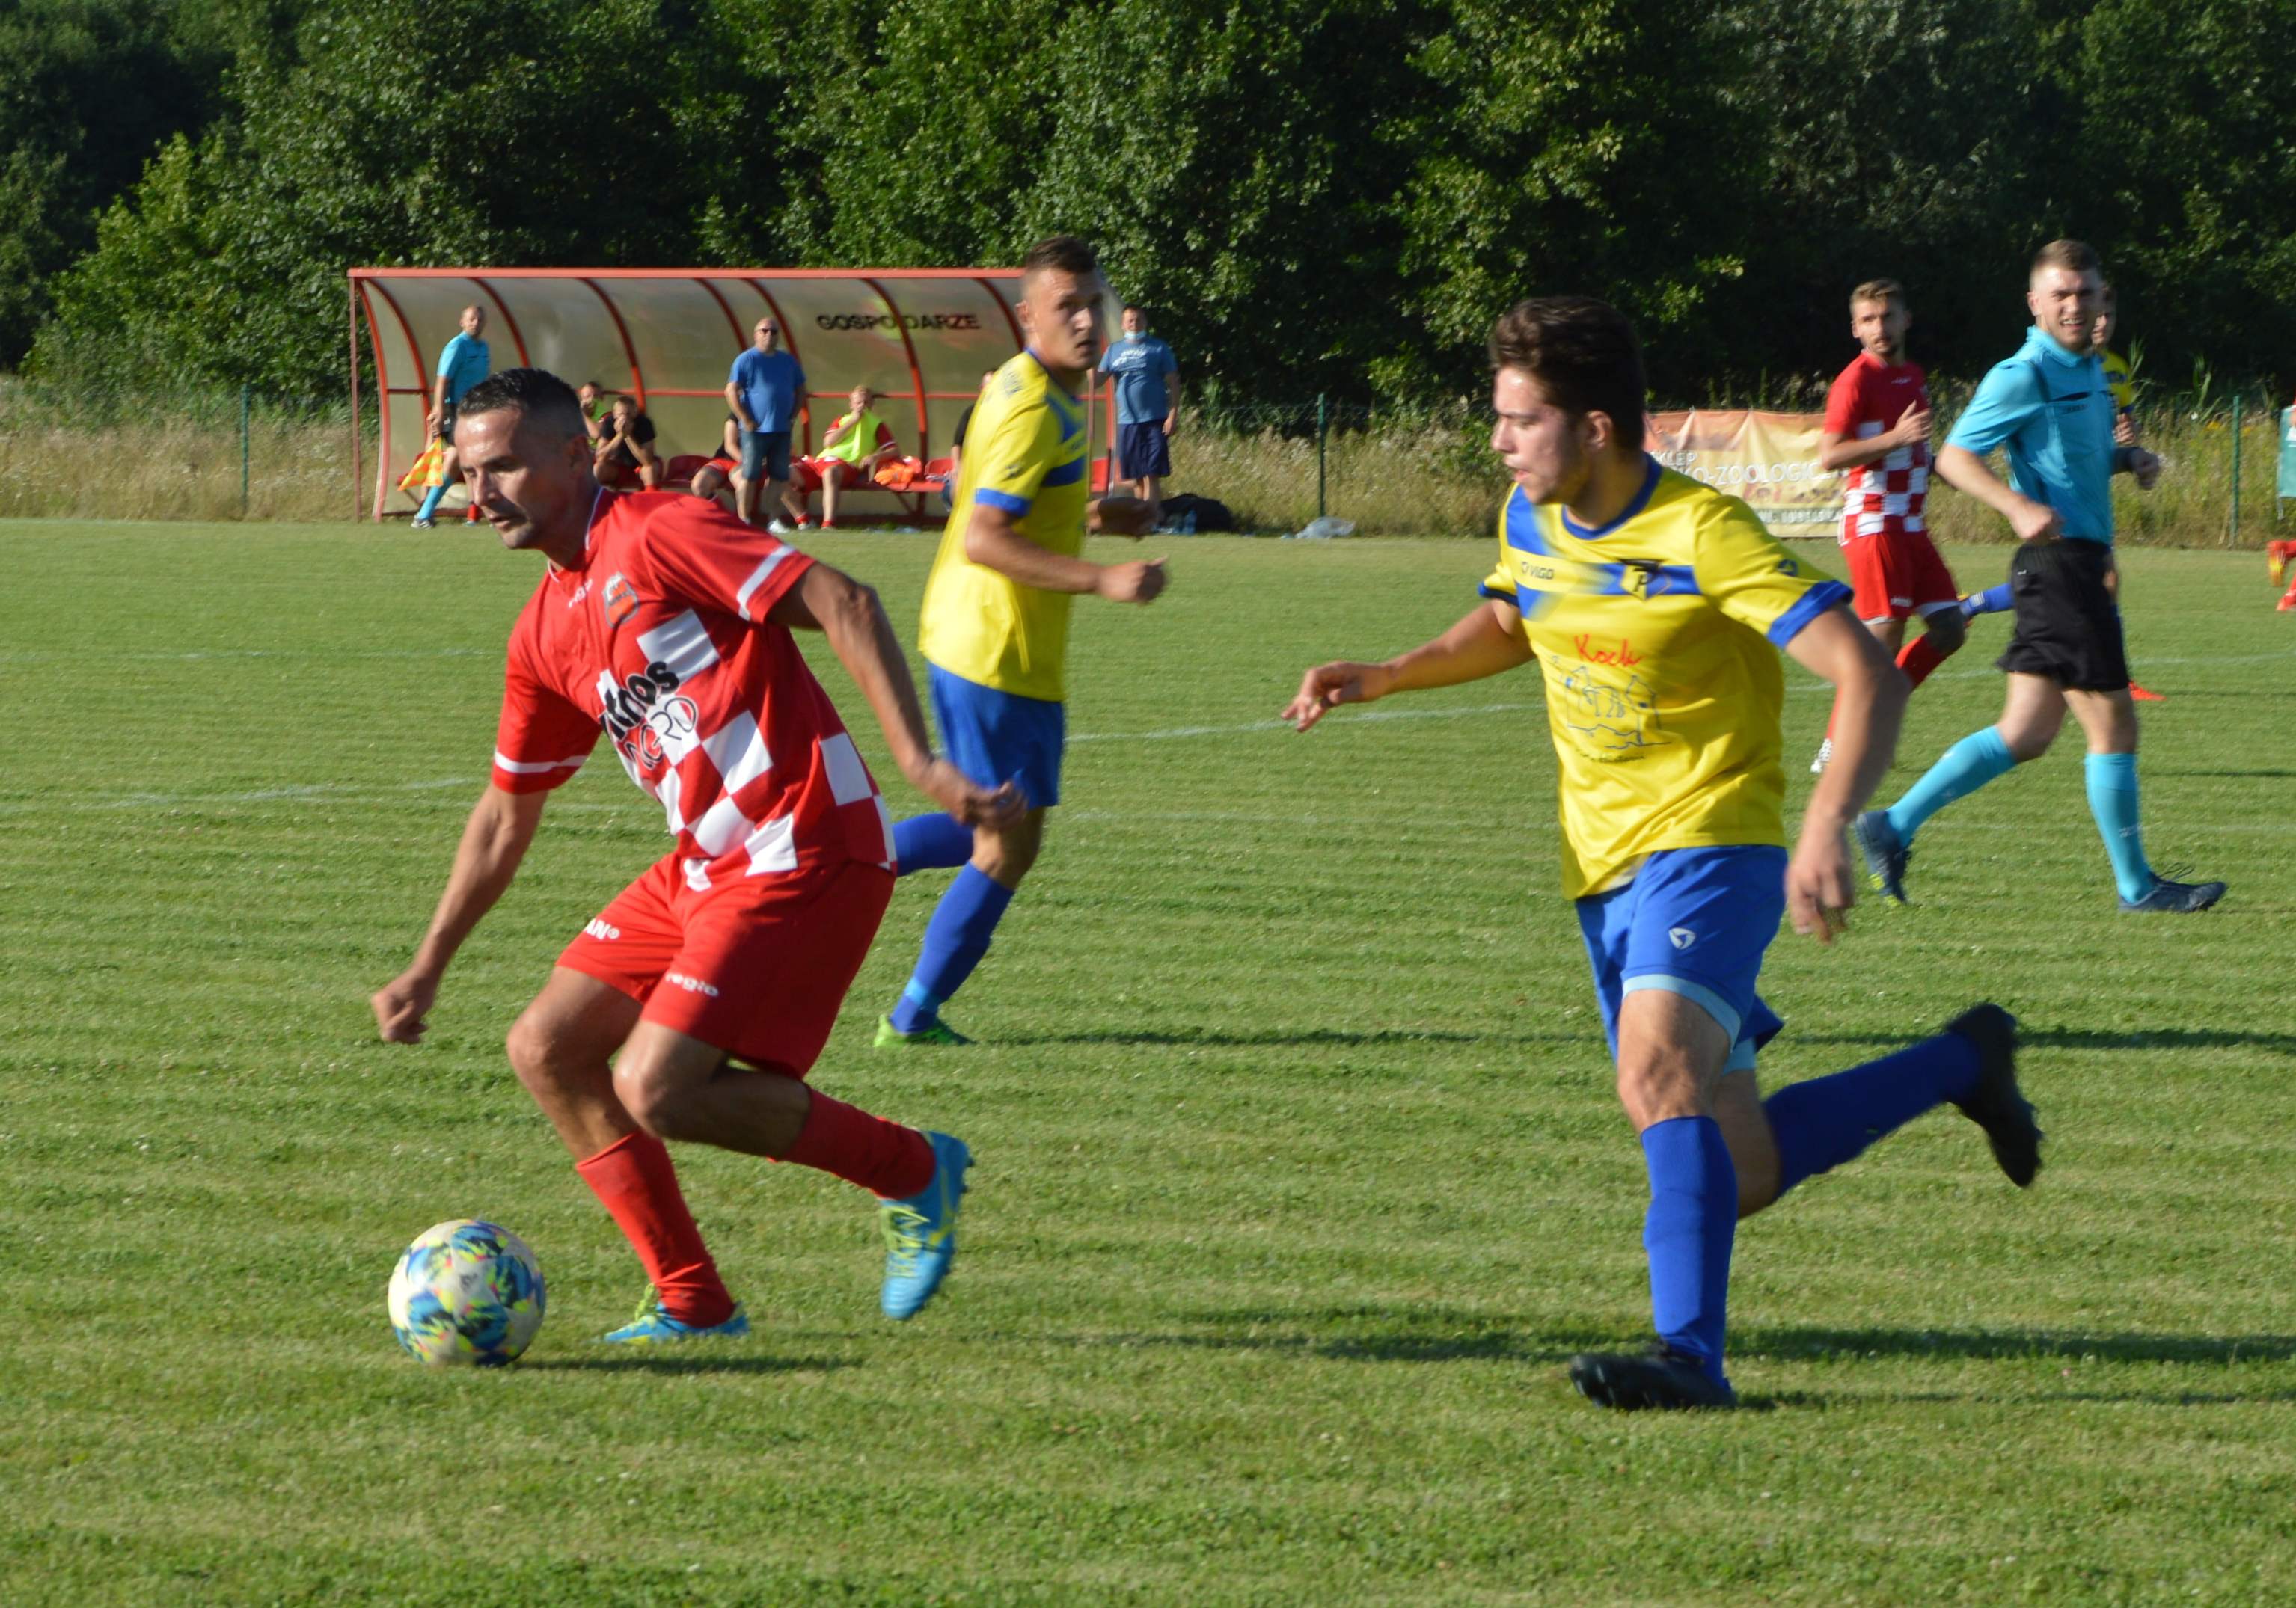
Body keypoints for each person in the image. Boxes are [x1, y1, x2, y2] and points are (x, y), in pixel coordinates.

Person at [1282, 296, 2040, 1411]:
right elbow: (1511, 617)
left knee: (1656, 1073)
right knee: (1735, 1172)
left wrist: (1824, 827)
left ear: (1594, 426)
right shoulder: (1530, 515)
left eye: (1518, 418)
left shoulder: (1702, 533)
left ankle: (1691, 1359)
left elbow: (1866, 673)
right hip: (1601, 866)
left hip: (1712, 837)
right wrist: (1391, 671)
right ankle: (1960, 1061)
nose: (1498, 438)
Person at [370, 366, 1023, 1340]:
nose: (483, 489)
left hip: (804, 841)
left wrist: (920, 760)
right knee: (545, 1048)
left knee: (657, 1086)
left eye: (504, 463)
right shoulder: (544, 629)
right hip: (706, 864)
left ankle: (913, 1167)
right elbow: (507, 813)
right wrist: (429, 964)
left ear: (574, 452)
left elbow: (846, 599)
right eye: (470, 471)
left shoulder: (659, 530)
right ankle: (694, 1301)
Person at [1854, 241, 2222, 914]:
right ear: (2035, 303)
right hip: (2060, 569)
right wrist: (2016, 504)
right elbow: (1956, 457)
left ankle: (1890, 824)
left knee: (2024, 734)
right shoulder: (2022, 373)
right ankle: (2137, 888)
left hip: (2064, 567)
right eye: (2060, 294)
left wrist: (2126, 458)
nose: (2074, 305)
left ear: (2101, 298)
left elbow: (2073, 456)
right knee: (2113, 727)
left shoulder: (2089, 371)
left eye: (2084, 292)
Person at [874, 236, 1163, 1047]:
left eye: (1092, 302)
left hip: (991, 641)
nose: (1085, 319)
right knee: (1009, 840)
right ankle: (913, 1011)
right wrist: (1103, 576)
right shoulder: (1035, 404)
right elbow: (985, 537)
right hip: (992, 647)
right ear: (1027, 313)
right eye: (1065, 306)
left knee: (995, 824)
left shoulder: (1038, 388)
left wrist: (1100, 514)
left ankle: (849, 856)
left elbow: (981, 493)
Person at [1807, 280, 1965, 773]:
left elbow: (1911, 447)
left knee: (1949, 628)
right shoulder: (1854, 381)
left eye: (1887, 317)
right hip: (1874, 522)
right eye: (1869, 320)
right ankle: (1835, 747)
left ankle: (1883, 710)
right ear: (1855, 328)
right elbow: (1830, 455)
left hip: (1910, 524)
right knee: (1881, 645)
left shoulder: (1913, 375)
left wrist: (1945, 467)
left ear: (1905, 320)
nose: (1879, 327)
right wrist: (1898, 436)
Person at [1096, 305, 1181, 527]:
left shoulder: (1158, 348)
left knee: (1152, 471)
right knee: (1135, 473)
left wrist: (1173, 414)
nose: (1134, 324)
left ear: (1145, 322)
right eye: (1130, 321)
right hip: (1127, 421)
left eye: (1138, 320)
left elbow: (1173, 381)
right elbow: (1097, 381)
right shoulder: (1114, 351)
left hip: (1154, 419)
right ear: (1123, 324)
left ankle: (1152, 516)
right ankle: (1140, 516)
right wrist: (1086, 363)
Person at [412, 305, 489, 528]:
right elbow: (442, 381)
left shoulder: (484, 347)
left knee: (469, 460)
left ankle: (470, 514)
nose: (476, 323)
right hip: (457, 409)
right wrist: (439, 411)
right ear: (462, 322)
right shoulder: (457, 346)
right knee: (457, 459)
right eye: (472, 319)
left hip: (476, 408)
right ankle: (424, 513)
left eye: (480, 319)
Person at [726, 316, 805, 533]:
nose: (769, 335)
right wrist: (745, 419)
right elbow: (731, 390)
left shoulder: (788, 361)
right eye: (764, 330)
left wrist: (793, 416)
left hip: (781, 428)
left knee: (778, 476)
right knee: (750, 475)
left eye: (773, 331)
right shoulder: (746, 359)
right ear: (756, 334)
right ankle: (744, 519)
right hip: (755, 431)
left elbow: (800, 389)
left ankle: (773, 520)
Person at [806, 385, 898, 530]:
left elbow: (894, 450)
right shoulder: (842, 420)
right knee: (785, 474)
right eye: (858, 403)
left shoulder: (876, 424)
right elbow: (828, 442)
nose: (862, 407)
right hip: (822, 461)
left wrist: (875, 456)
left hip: (847, 466)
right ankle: (803, 521)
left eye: (866, 403)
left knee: (831, 473)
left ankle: (828, 524)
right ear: (851, 404)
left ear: (872, 404)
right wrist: (853, 421)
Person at [943, 369, 999, 511]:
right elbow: (957, 445)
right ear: (981, 389)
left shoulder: (1010, 413)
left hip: (996, 469)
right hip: (971, 468)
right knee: (953, 487)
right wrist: (958, 468)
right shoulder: (971, 413)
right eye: (987, 386)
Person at [593, 393, 664, 490]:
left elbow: (647, 461)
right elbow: (600, 457)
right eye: (621, 414)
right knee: (598, 469)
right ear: (614, 414)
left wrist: (628, 436)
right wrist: (620, 435)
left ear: (635, 412)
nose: (624, 418)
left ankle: (650, 499)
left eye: (628, 414)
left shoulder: (644, 423)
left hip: (640, 466)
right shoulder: (609, 423)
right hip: (619, 466)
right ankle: (602, 500)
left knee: (650, 469)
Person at [689, 416, 744, 506]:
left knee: (743, 483)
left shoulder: (768, 419)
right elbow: (730, 447)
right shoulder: (735, 417)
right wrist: (749, 464)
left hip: (744, 465)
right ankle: (720, 512)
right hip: (723, 461)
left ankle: (744, 517)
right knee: (698, 486)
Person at [576, 381, 616, 447]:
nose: (592, 399)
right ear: (582, 401)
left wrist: (583, 414)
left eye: (595, 396)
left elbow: (596, 434)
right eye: (587, 397)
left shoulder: (608, 415)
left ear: (602, 398)